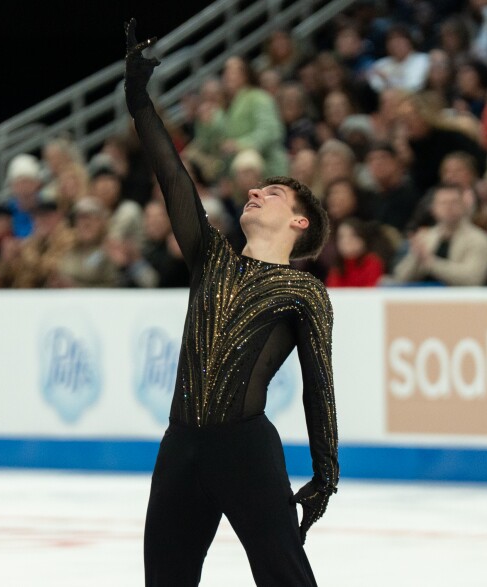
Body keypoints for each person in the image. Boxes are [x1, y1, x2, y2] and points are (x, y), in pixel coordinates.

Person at [124, 20, 338, 587]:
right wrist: (139, 100)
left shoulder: (303, 291)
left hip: (244, 451)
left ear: (299, 221)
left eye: (271, 192)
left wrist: (325, 473)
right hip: (180, 447)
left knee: (285, 578)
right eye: (254, 188)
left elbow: (319, 384)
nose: (254, 192)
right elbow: (173, 178)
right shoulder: (212, 257)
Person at [393, 184, 487, 286]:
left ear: (464, 206)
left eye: (454, 202)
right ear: (433, 208)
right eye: (443, 203)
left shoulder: (479, 239)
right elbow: (400, 277)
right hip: (423, 298)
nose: (449, 207)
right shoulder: (426, 237)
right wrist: (416, 257)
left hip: (461, 300)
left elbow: (473, 279)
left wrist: (431, 263)